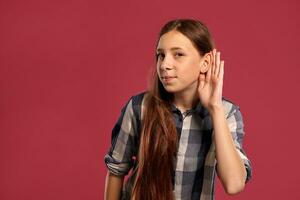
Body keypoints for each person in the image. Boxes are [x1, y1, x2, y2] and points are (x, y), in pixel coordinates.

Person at [104, 18, 252, 200]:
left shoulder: (227, 113)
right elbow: (116, 171)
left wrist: (215, 109)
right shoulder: (138, 107)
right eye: (161, 55)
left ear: (205, 63)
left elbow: (234, 184)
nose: (165, 65)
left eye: (178, 55)